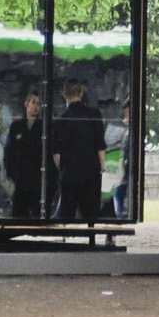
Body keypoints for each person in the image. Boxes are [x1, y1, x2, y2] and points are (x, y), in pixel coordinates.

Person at [50, 79, 107, 224]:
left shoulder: (60, 120)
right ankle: (91, 239)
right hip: (91, 173)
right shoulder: (94, 114)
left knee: (67, 214)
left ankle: (65, 239)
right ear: (81, 93)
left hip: (69, 174)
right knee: (91, 214)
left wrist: (62, 170)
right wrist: (102, 168)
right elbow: (100, 146)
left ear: (64, 95)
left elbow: (56, 154)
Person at [4, 91, 45, 218]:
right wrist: (13, 174)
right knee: (18, 215)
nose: (36, 107)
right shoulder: (16, 126)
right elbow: (9, 153)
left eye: (39, 104)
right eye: (33, 102)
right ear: (26, 104)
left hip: (37, 181)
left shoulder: (44, 127)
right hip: (20, 179)